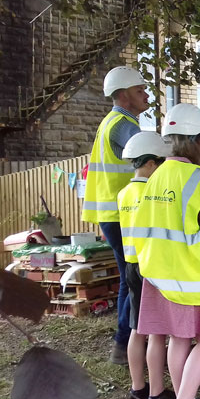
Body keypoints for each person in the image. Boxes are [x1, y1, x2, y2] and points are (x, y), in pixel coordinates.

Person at [135, 103, 200, 399]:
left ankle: (182, 398)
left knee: (178, 337)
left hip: (158, 271)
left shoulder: (155, 175)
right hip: (194, 274)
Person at [82, 66, 149, 365]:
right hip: (123, 213)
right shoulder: (123, 125)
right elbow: (150, 162)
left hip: (113, 212)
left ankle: (124, 343)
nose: (146, 94)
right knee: (135, 278)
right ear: (123, 95)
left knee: (127, 277)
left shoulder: (111, 122)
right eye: (139, 90)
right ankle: (124, 344)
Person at [117, 131, 176, 399]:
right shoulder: (152, 193)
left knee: (136, 329)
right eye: (161, 163)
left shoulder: (124, 193)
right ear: (151, 164)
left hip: (131, 265)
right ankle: (156, 393)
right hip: (151, 266)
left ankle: (137, 387)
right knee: (156, 334)